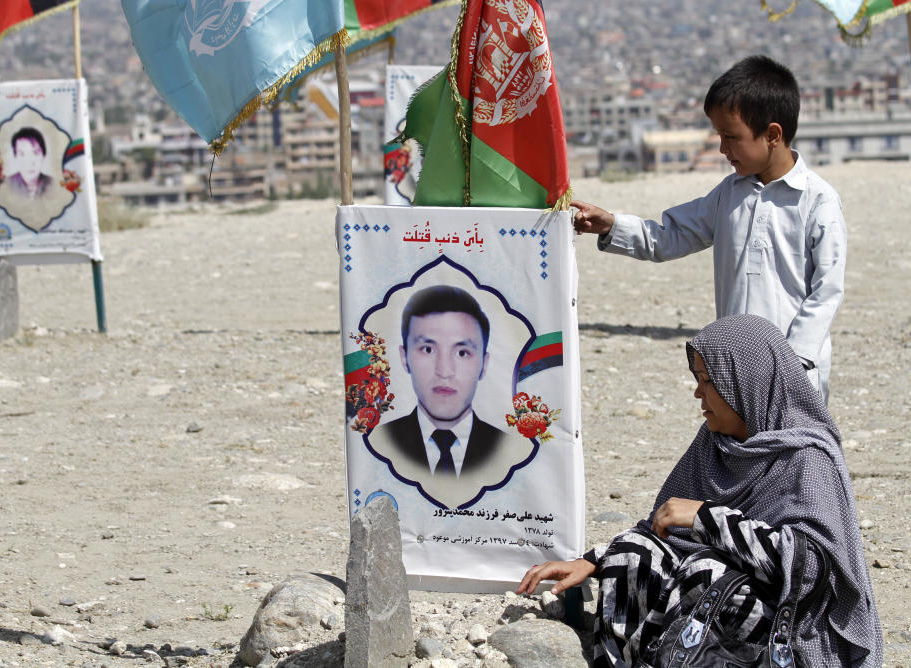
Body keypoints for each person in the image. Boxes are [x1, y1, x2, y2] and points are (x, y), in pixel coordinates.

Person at [517, 314, 882, 667]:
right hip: (714, 603)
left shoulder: (805, 457)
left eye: (708, 380)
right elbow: (661, 528)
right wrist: (592, 560)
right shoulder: (714, 443)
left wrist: (709, 518)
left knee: (703, 572)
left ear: (746, 384)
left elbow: (812, 570)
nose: (697, 392)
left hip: (785, 626)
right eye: (698, 378)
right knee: (633, 554)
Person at [572, 55, 845, 404]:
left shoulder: (818, 202)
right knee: (735, 454)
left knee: (792, 455)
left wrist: (793, 359)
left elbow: (826, 292)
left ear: (772, 134)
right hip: (734, 366)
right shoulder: (729, 194)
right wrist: (612, 225)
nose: (722, 148)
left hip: (796, 372)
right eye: (719, 135)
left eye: (731, 137)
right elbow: (669, 235)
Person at [367, 285, 530, 507]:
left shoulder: (507, 449)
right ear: (404, 358)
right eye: (427, 349)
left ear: (484, 364)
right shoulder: (380, 444)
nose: (444, 371)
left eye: (462, 353)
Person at [5, 127, 52, 199]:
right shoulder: (5, 185)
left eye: (35, 153)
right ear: (15, 157)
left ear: (44, 155)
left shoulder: (54, 184)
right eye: (22, 154)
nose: (29, 162)